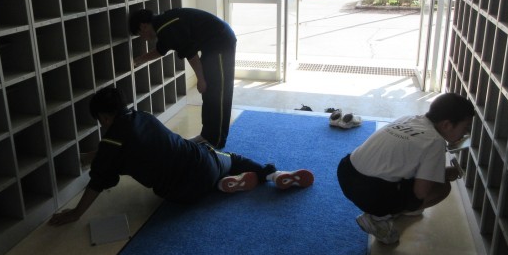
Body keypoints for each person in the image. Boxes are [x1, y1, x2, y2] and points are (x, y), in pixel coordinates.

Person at [48, 87, 314, 225]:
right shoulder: (144, 117)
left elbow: (98, 180)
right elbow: (118, 149)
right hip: (202, 163)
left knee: (174, 175)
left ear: (104, 117)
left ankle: (219, 187)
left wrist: (76, 213)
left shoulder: (110, 145)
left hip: (180, 196)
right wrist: (93, 155)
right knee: (232, 158)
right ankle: (271, 174)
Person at [336, 93, 474, 244]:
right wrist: (444, 174)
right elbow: (420, 192)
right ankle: (378, 219)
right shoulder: (436, 141)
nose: (466, 133)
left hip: (346, 171)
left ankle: (391, 209)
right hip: (370, 192)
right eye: (465, 127)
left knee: (411, 174)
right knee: (441, 188)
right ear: (447, 125)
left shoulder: (408, 118)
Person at [129, 7, 236, 149]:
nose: (143, 38)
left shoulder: (167, 27)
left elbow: (191, 54)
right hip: (211, 45)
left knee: (219, 92)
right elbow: (160, 50)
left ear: (143, 26)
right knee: (210, 92)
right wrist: (138, 60)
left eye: (140, 34)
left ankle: (216, 141)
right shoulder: (162, 25)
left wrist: (201, 79)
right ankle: (207, 135)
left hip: (221, 43)